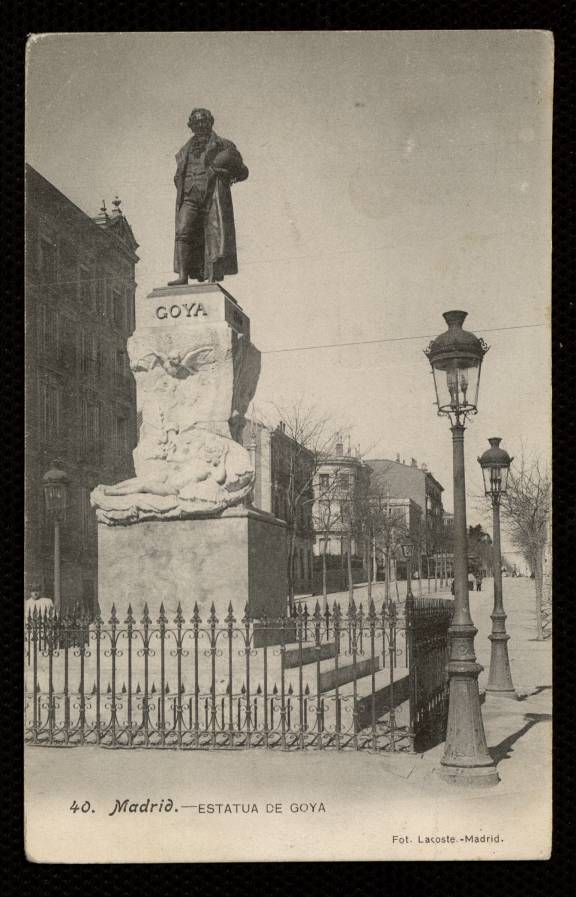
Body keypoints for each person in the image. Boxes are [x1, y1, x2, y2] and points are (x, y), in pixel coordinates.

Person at [169, 107, 249, 285]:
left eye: (204, 121)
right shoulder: (184, 150)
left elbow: (243, 172)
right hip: (189, 196)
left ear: (210, 122)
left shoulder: (224, 145)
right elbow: (179, 174)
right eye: (196, 122)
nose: (200, 125)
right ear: (191, 125)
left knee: (213, 235)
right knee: (182, 232)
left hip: (213, 195)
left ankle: (212, 276)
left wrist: (224, 172)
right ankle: (182, 276)